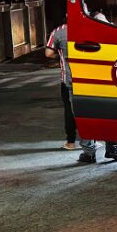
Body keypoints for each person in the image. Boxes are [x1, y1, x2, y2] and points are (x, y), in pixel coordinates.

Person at [45, 19, 77, 151]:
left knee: (69, 110)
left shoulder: (59, 31)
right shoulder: (89, 28)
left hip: (68, 79)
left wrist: (61, 56)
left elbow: (48, 53)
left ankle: (71, 142)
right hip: (87, 79)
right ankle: (91, 142)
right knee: (88, 109)